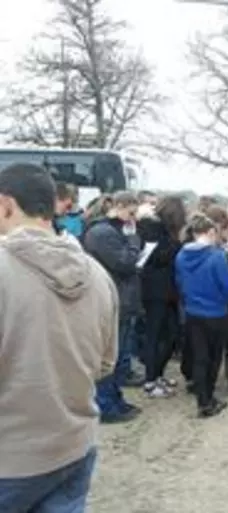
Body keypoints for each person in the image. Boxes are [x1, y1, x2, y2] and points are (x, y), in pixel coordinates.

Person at [0, 164, 118, 513]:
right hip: (74, 446)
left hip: (11, 459)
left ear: (6, 205)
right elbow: (105, 364)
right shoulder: (97, 272)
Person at [83, 191, 144, 422]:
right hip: (112, 300)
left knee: (121, 357)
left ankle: (116, 400)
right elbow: (124, 263)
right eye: (131, 212)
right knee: (111, 357)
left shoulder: (111, 230)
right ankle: (106, 405)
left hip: (122, 298)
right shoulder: (102, 233)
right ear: (118, 206)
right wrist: (133, 241)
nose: (133, 218)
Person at [175, 215, 228, 418]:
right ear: (211, 233)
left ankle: (202, 399)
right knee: (213, 358)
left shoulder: (181, 255)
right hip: (216, 313)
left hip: (193, 312)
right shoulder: (217, 256)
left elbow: (179, 282)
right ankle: (208, 400)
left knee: (199, 358)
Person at [137, 195, 187, 398]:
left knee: (171, 335)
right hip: (155, 291)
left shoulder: (162, 230)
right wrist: (178, 243)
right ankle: (150, 381)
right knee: (155, 336)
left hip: (167, 291)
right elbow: (157, 257)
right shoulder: (151, 229)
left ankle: (158, 375)